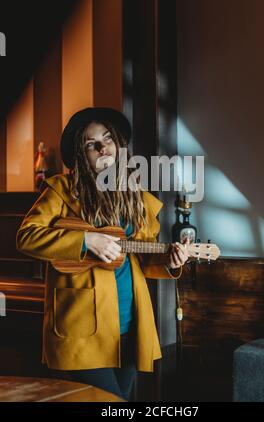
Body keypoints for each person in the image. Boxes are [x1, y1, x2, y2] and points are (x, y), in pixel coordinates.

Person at [16, 107, 189, 401]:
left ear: (119, 144)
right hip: (82, 326)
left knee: (120, 403)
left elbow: (146, 254)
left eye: (107, 138)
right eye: (90, 143)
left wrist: (171, 261)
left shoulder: (136, 195)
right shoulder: (61, 190)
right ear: (82, 154)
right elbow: (26, 236)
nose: (102, 146)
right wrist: (86, 240)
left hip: (129, 324)